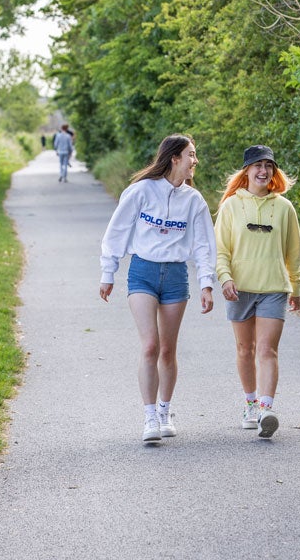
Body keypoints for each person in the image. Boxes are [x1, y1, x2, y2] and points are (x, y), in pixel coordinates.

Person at [99, 134, 216, 443]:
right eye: (191, 154)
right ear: (174, 157)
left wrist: (206, 283)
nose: (195, 161)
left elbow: (204, 245)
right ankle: (149, 415)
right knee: (150, 345)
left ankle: (165, 410)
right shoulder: (140, 191)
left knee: (168, 349)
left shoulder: (194, 201)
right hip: (143, 272)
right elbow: (117, 232)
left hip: (176, 275)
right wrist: (108, 272)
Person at [215, 145, 300, 438]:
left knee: (268, 349)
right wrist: (225, 278)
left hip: (274, 287)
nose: (263, 171)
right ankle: (250, 403)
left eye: (268, 166)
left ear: (274, 171)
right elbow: (221, 250)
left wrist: (296, 286)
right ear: (247, 171)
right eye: (257, 166)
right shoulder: (230, 206)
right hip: (239, 289)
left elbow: (294, 251)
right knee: (245, 349)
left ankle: (267, 408)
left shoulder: (284, 208)